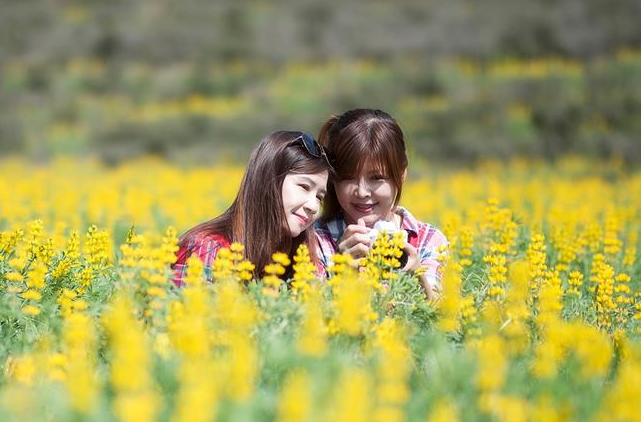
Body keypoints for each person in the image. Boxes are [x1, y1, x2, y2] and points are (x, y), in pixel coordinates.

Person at [313, 109, 448, 300]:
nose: (362, 191)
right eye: (347, 177)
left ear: (401, 176)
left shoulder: (429, 240)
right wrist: (342, 275)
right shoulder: (314, 240)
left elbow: (443, 322)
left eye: (377, 178)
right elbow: (308, 318)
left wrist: (416, 275)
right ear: (333, 179)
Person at [171, 131, 335, 287]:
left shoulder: (307, 264)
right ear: (269, 180)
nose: (313, 207)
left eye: (319, 197)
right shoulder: (207, 250)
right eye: (304, 187)